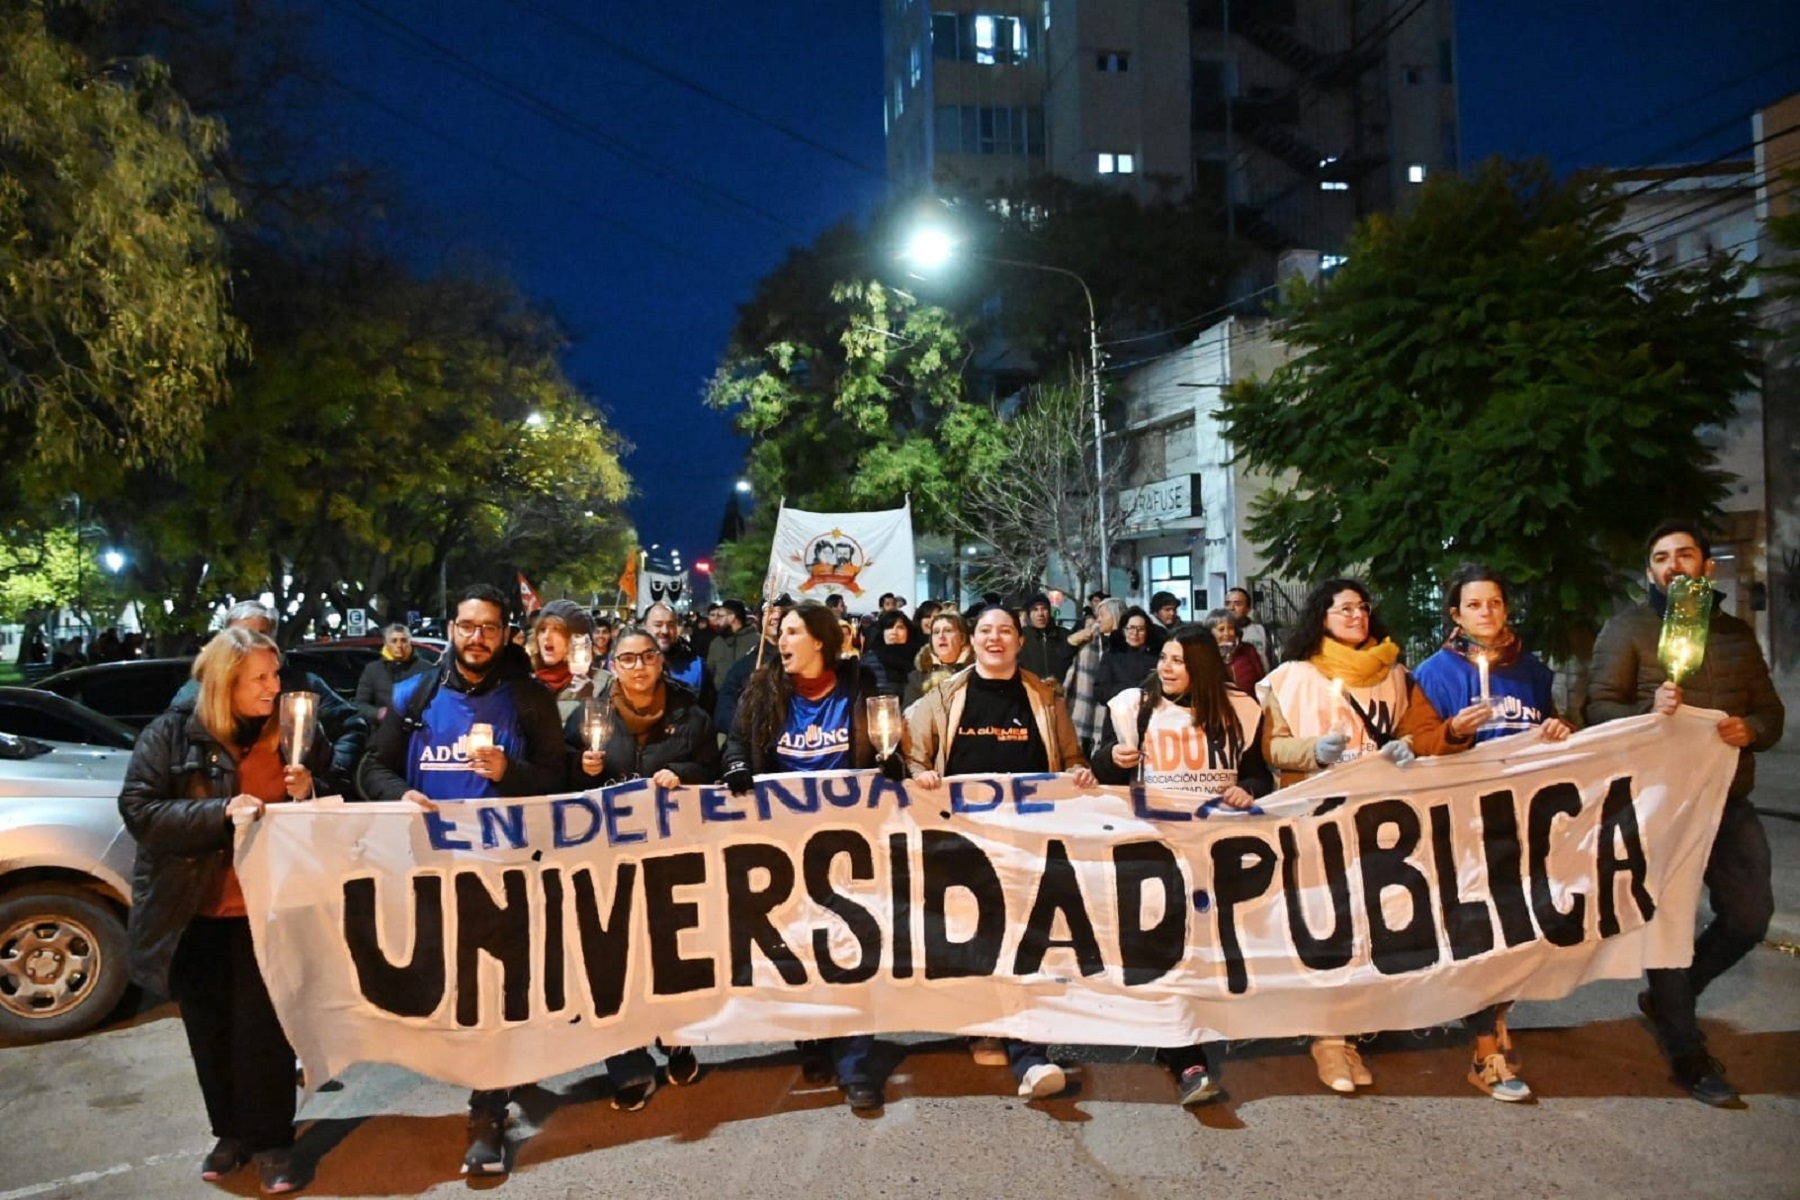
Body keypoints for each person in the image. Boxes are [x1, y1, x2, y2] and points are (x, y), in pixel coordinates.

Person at [359, 584, 565, 1175]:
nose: (478, 638)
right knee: (452, 993)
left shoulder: (528, 700)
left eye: (490, 628)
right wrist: (401, 793)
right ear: (452, 628)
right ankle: (497, 1080)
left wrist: (510, 772)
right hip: (432, 873)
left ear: (506, 635)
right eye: (468, 626)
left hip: (506, 874)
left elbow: (557, 778)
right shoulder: (414, 694)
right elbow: (371, 766)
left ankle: (486, 1115)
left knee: (492, 994)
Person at [118, 626, 333, 1194]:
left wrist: (308, 785)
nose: (274, 687)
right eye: (260, 678)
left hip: (268, 910)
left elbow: (332, 795)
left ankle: (272, 1142)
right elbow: (139, 809)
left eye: (276, 674)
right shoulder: (172, 733)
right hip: (191, 910)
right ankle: (230, 1133)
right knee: (210, 1030)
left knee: (264, 1032)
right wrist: (218, 811)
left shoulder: (291, 728)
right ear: (225, 682)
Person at [1257, 577, 1486, 1094]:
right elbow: (1273, 749)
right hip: (1318, 818)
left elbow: (1417, 733)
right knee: (1328, 925)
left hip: (1383, 820)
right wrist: (1317, 750)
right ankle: (1327, 1040)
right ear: (1322, 617)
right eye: (1344, 609)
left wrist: (1421, 742)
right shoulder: (1290, 678)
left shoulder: (1396, 675)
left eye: (1362, 607)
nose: (1357, 616)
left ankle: (1355, 1033)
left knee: (1372, 925)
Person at [1586, 520, 1784, 1108]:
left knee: (1750, 917)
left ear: (1706, 567)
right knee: (1669, 926)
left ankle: (1676, 993)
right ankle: (1686, 1050)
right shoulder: (1627, 630)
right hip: (1659, 806)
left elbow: (1770, 712)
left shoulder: (1735, 636)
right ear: (1650, 572)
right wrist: (1648, 709)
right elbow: (1597, 709)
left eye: (1685, 554)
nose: (1674, 565)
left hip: (1727, 802)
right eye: (1662, 557)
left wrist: (1753, 730)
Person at [903, 602, 1096, 1101]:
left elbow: (1072, 758)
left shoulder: (1044, 697)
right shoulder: (945, 696)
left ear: (1020, 640)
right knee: (979, 934)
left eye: (1005, 631)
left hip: (1029, 840)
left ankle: (1027, 1048)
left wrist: (1079, 772)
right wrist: (917, 773)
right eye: (985, 630)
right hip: (964, 840)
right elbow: (907, 747)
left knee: (1027, 935)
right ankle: (987, 1026)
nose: (995, 639)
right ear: (972, 640)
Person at [722, 600, 900, 1111]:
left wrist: (891, 761)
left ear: (820, 640)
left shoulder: (861, 684)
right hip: (786, 841)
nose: (782, 639)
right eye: (780, 631)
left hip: (851, 840)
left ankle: (855, 1062)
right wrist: (737, 764)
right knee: (798, 946)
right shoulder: (765, 688)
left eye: (793, 631)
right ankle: (813, 1038)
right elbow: (738, 741)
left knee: (853, 945)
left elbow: (887, 738)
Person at [1412, 564, 1575, 1103]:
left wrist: (1558, 732)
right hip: (1464, 826)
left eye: (1495, 603)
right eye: (1474, 604)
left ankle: (1498, 1014)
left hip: (1526, 823)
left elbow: (1555, 728)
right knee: (1481, 932)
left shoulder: (1532, 671)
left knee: (1523, 929)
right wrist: (1453, 733)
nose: (1487, 612)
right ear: (1456, 613)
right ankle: (1486, 1051)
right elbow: (1413, 746)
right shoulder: (1434, 674)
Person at [1093, 622, 1272, 1107]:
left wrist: (1249, 788)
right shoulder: (1137, 707)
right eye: (1164, 659)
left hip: (1220, 848)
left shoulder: (1242, 710)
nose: (1166, 668)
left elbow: (1258, 771)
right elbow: (1101, 767)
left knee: (1213, 948)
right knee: (1168, 946)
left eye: (1178, 661)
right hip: (1159, 848)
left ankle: (1202, 1030)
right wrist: (1114, 756)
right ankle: (1183, 1054)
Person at [567, 624, 719, 1107]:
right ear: (613, 665)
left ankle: (676, 1037)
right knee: (614, 956)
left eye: (647, 657)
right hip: (606, 857)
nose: (638, 668)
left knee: (671, 950)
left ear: (661, 661)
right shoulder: (590, 715)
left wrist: (685, 773)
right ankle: (628, 1059)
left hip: (670, 852)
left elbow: (712, 771)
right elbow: (558, 775)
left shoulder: (691, 717)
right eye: (627, 659)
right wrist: (582, 769)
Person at [174, 601, 368, 791]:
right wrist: (221, 810)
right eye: (240, 637)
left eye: (259, 635)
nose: (251, 644)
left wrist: (324, 777)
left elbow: (349, 728)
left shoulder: (302, 688)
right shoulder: (193, 698)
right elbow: (154, 802)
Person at [1064, 597, 1126, 754]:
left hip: (1117, 708)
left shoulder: (1127, 644)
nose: (1098, 620)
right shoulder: (1090, 638)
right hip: (1089, 705)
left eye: (1102, 615)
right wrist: (1073, 640)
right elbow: (1063, 657)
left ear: (1115, 615)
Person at [527, 599, 603, 720]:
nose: (547, 636)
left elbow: (607, 733)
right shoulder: (526, 683)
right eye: (542, 630)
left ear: (578, 640)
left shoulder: (602, 682)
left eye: (557, 630)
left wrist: (589, 701)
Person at [353, 623, 435, 725]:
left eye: (403, 641)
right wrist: (378, 713)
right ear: (386, 643)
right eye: (394, 641)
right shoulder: (373, 669)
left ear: (410, 642)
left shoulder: (426, 669)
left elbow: (436, 704)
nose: (399, 645)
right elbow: (359, 704)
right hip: (382, 733)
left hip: (417, 733)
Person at [645, 601, 715, 713]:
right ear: (645, 627)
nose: (665, 631)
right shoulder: (629, 663)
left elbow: (706, 713)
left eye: (671, 625)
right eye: (658, 625)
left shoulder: (696, 667)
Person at [903, 610, 972, 707]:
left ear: (962, 638)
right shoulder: (917, 678)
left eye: (948, 630)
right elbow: (908, 716)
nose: (941, 636)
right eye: (936, 632)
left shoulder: (976, 673)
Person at [1094, 605, 1160, 707]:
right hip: (1117, 716)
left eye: (1141, 629)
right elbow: (1101, 692)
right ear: (1123, 630)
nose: (1135, 633)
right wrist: (1133, 691)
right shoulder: (1111, 655)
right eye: (1131, 628)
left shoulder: (1156, 656)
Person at [1019, 593, 1076, 689]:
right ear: (1029, 614)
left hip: (1061, 693)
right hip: (1032, 695)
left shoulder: (1064, 635)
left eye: (1044, 608)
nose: (1040, 614)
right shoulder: (1021, 637)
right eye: (1035, 609)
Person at [1203, 607, 1267, 692]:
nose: (1226, 633)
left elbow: (1261, 680)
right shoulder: (1204, 654)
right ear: (1210, 632)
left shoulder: (1248, 650)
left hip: (1249, 702)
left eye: (1230, 628)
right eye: (1221, 629)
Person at [704, 599, 759, 694]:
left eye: (721, 616)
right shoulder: (717, 643)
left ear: (732, 617)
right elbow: (709, 673)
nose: (716, 619)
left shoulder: (756, 641)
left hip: (749, 699)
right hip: (721, 700)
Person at [861, 609, 918, 696]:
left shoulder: (919, 659)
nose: (894, 632)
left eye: (900, 628)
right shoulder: (869, 660)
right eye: (889, 627)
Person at [1225, 587, 1274, 665]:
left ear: (1248, 609)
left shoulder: (1261, 631)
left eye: (1237, 604)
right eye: (1228, 603)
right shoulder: (1216, 632)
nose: (1231, 608)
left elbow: (1270, 660)